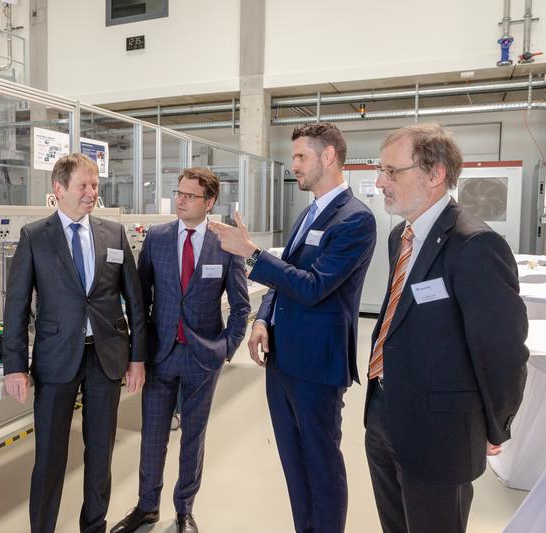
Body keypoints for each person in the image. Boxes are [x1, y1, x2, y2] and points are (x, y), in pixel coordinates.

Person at [209, 122, 377, 533]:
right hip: (282, 360)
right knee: (293, 462)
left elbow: (315, 286)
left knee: (321, 464)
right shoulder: (309, 212)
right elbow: (288, 278)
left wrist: (250, 252)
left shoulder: (355, 220)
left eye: (301, 156)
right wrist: (264, 319)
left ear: (329, 157)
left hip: (317, 367)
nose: (294, 164)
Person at [364, 123, 529, 533]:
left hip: (441, 433)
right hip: (384, 414)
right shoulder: (400, 237)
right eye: (380, 170)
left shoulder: (475, 245)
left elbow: (502, 351)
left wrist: (496, 424)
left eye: (391, 171)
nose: (379, 181)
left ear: (435, 174)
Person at [2, 153, 147, 533]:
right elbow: (16, 305)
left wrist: (138, 358)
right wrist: (14, 366)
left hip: (106, 358)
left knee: (100, 454)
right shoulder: (35, 236)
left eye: (95, 185)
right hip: (56, 359)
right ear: (59, 189)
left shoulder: (113, 234)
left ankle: (93, 526)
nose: (91, 193)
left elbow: (134, 299)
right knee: (50, 457)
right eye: (83, 186)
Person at [110, 168, 250, 533]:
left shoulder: (225, 243)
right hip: (161, 353)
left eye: (190, 196)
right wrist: (137, 354)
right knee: (153, 435)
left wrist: (226, 348)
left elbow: (240, 305)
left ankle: (184, 508)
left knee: (194, 436)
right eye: (179, 193)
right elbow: (140, 301)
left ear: (210, 202)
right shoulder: (157, 238)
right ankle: (146, 506)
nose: (181, 200)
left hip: (204, 356)